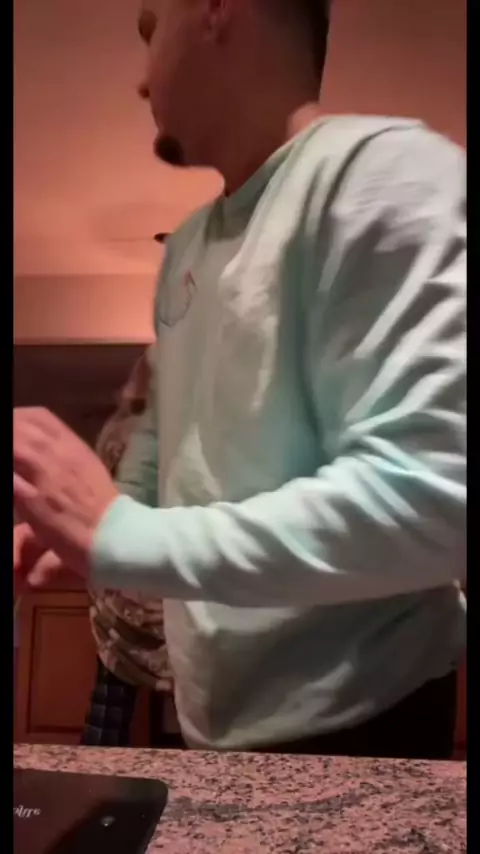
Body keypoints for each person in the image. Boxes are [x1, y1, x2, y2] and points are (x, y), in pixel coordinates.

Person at [14, 0, 466, 759]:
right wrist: (87, 533)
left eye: (150, 29)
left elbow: (434, 502)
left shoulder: (388, 173)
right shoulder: (187, 247)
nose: (140, 80)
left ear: (215, 9)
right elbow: (168, 455)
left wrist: (123, 533)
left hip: (366, 722)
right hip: (212, 727)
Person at [82, 347, 174, 748]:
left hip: (116, 583)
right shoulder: (161, 434)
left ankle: (93, 768)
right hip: (155, 579)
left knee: (110, 701)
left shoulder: (116, 433)